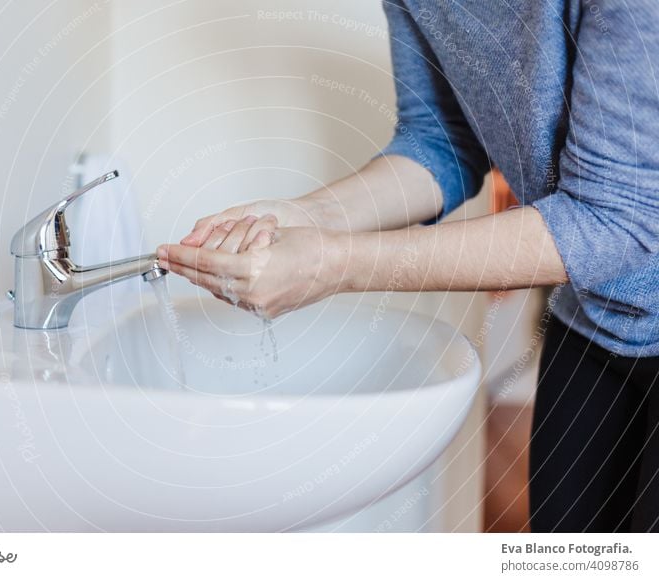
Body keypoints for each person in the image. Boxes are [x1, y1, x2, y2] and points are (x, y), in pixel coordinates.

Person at [156, 1, 659, 532]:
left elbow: (616, 220)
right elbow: (442, 140)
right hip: (595, 316)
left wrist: (333, 264)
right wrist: (305, 215)